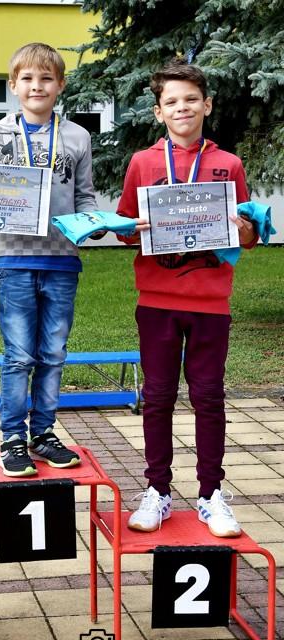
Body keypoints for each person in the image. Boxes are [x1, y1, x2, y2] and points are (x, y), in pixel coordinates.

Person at [0, 42, 109, 477]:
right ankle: (12, 438)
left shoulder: (77, 136)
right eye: (28, 79)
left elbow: (85, 196)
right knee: (19, 355)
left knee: (53, 353)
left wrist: (95, 223)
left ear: (61, 85)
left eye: (46, 78)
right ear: (13, 85)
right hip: (14, 260)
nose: (37, 86)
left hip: (62, 260)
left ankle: (44, 433)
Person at [116, 58, 258, 538]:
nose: (183, 108)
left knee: (208, 398)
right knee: (157, 398)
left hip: (211, 301)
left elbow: (247, 236)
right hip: (157, 300)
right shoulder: (142, 163)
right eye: (172, 101)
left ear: (207, 105)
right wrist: (132, 229)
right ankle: (157, 490)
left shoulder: (228, 164)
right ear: (159, 111)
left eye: (191, 99)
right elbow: (124, 229)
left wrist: (245, 230)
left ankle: (210, 495)